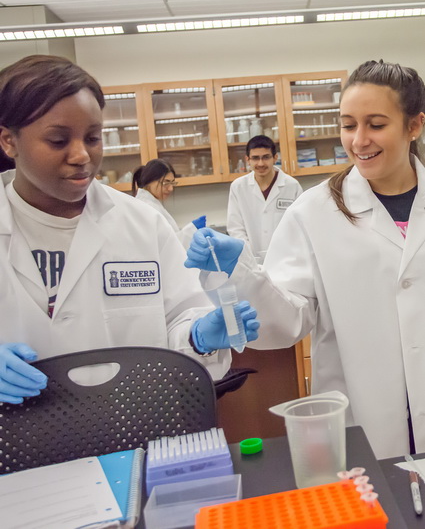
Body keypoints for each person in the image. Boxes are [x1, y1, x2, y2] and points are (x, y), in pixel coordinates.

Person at [185, 59, 425, 460]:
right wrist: (240, 273)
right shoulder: (314, 211)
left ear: (415, 125)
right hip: (367, 421)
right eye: (349, 125)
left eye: (376, 124)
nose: (359, 140)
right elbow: (288, 319)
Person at [0, 54, 260, 404]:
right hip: (21, 444)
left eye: (92, 138)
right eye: (58, 141)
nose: (81, 155)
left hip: (133, 431)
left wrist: (199, 335)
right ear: (8, 141)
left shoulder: (142, 224)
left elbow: (181, 318)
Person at [227, 135, 302, 261]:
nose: (261, 163)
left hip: (286, 258)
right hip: (251, 259)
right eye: (255, 158)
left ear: (275, 158)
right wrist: (248, 255)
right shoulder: (238, 187)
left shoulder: (292, 186)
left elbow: (299, 226)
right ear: (248, 160)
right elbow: (235, 228)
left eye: (266, 157)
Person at [132, 159, 206, 249]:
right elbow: (168, 247)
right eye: (166, 183)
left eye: (172, 183)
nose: (170, 188)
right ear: (149, 181)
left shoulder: (151, 204)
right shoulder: (147, 208)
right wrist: (192, 230)